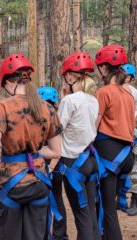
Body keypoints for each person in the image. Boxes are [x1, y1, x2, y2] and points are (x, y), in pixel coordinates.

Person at [0, 53, 63, 240]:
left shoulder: (3, 107)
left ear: (10, 83)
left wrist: (11, 151)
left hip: (12, 185)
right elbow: (56, 151)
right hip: (39, 183)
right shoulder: (47, 108)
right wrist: (32, 153)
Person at [93, 45, 135, 240]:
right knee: (107, 205)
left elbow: (95, 124)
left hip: (109, 154)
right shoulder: (128, 94)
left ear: (104, 68)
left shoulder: (104, 92)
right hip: (126, 155)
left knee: (107, 208)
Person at [58, 52, 101, 240]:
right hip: (90, 160)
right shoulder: (93, 100)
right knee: (90, 212)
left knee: (81, 217)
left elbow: (57, 129)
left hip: (72, 162)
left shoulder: (70, 101)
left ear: (69, 76)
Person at [37, 86, 68, 240]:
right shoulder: (55, 116)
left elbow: (58, 147)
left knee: (49, 200)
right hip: (48, 166)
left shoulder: (44, 118)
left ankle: (52, 235)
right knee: (56, 199)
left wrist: (49, 167)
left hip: (49, 166)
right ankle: (59, 235)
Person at [121, 63, 137, 216]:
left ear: (131, 78)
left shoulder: (132, 92)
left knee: (134, 170)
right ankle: (121, 198)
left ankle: (134, 200)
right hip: (123, 132)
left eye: (126, 75)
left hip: (133, 133)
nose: (124, 78)